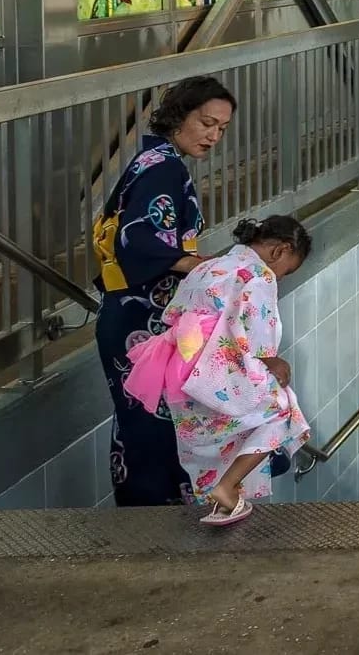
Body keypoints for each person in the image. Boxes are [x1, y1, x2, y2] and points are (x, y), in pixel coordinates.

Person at [92, 75, 235, 507]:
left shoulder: (151, 160)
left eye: (222, 129)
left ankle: (144, 509)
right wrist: (194, 262)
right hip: (140, 318)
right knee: (153, 421)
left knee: (141, 417)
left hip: (131, 314)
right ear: (179, 117)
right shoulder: (165, 167)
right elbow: (137, 239)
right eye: (206, 122)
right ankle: (150, 516)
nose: (213, 135)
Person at [124, 215, 312, 526]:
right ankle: (225, 488)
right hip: (215, 366)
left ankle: (223, 500)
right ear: (281, 250)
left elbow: (174, 313)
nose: (279, 277)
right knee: (283, 410)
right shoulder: (259, 275)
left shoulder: (206, 266)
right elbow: (254, 330)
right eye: (286, 271)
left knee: (209, 435)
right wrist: (272, 362)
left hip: (180, 366)